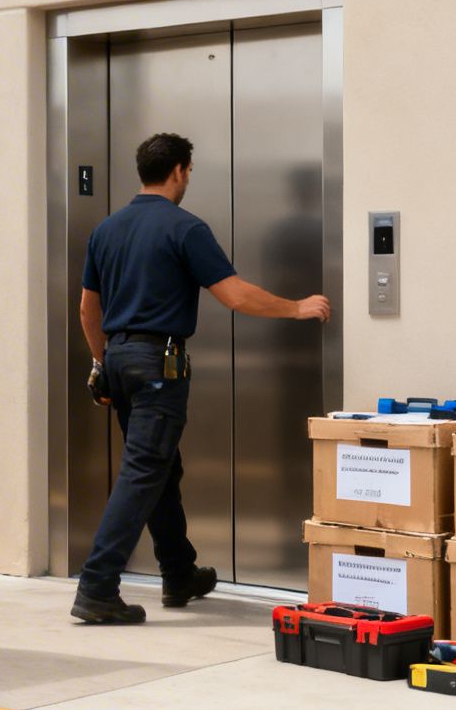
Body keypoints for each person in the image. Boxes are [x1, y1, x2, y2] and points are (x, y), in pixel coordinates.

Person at [72, 132, 329, 625]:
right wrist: (297, 307)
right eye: (189, 170)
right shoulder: (185, 228)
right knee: (144, 472)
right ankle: (97, 585)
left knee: (160, 470)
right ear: (180, 171)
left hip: (120, 360)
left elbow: (88, 307)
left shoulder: (107, 229)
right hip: (158, 366)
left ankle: (179, 572)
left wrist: (102, 362)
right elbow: (233, 295)